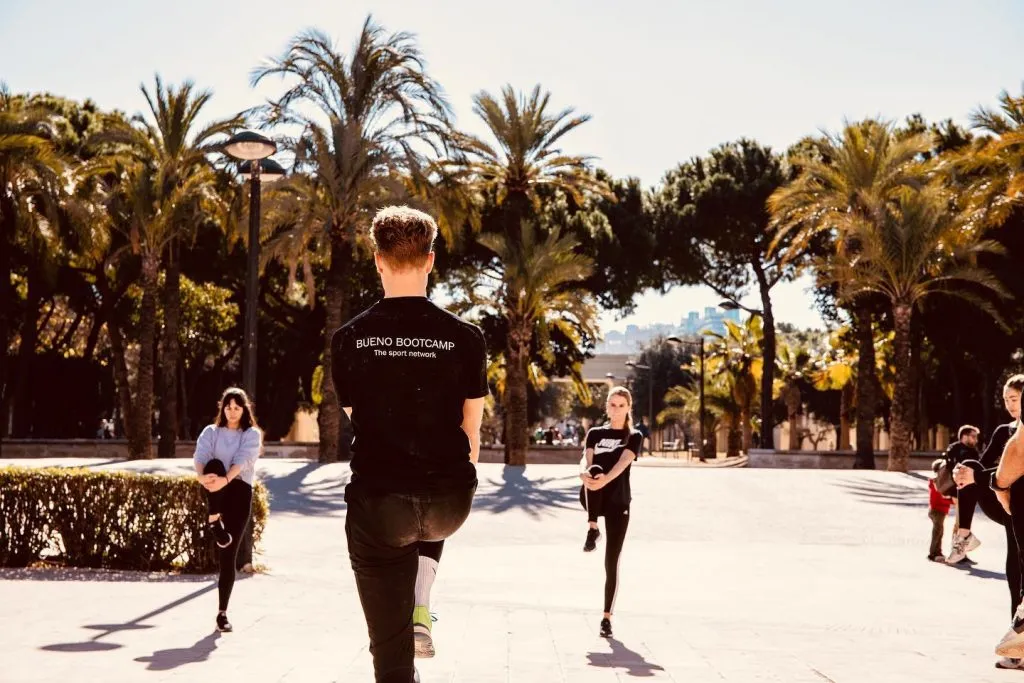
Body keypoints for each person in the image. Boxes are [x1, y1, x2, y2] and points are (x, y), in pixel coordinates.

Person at [331, 206, 487, 683]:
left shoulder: (348, 339)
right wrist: (455, 489)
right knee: (431, 489)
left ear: (378, 261)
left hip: (380, 507)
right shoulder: (467, 337)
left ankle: (403, 647)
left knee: (391, 663)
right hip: (449, 505)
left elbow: (365, 423)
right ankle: (422, 598)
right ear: (431, 260)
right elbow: (470, 432)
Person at [950, 374, 1024, 669]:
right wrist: (970, 474)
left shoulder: (1019, 435)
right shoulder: (1003, 431)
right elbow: (987, 463)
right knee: (969, 466)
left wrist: (985, 478)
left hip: (1015, 499)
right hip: (1007, 503)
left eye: (1015, 400)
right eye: (1006, 400)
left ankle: (1017, 651)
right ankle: (964, 534)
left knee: (1017, 571)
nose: (1010, 405)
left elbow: (1014, 458)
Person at [192, 387, 262, 633]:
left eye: (237, 407)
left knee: (228, 554)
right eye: (228, 407)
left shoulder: (251, 434)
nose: (232, 412)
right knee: (213, 464)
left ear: (244, 409)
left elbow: (242, 460)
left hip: (239, 490)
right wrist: (202, 478)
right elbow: (200, 456)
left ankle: (222, 613)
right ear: (222, 408)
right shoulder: (211, 432)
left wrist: (226, 480)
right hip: (215, 488)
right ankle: (213, 519)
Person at [579, 386, 643, 639]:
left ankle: (606, 617)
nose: (616, 410)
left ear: (628, 408)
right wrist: (583, 473)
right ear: (606, 406)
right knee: (593, 469)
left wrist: (605, 480)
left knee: (611, 561)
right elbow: (585, 460)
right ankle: (592, 528)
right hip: (594, 494)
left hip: (618, 501)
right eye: (612, 404)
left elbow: (622, 463)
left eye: (621, 405)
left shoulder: (633, 436)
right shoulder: (595, 433)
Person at [927, 458, 954, 562]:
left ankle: (937, 551)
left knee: (939, 531)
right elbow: (942, 496)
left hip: (939, 510)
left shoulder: (938, 481)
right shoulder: (936, 482)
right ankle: (933, 553)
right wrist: (952, 500)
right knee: (937, 532)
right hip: (937, 510)